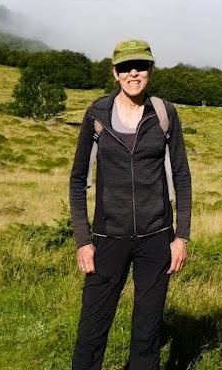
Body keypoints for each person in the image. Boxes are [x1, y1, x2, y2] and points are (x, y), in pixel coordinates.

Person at [70, 38, 192, 370]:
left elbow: (182, 175)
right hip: (108, 239)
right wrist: (84, 241)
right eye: (125, 67)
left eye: (140, 66)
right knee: (91, 333)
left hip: (157, 239)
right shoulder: (97, 115)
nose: (133, 73)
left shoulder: (165, 114)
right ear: (115, 73)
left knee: (146, 334)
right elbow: (77, 179)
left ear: (151, 70)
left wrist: (181, 237)